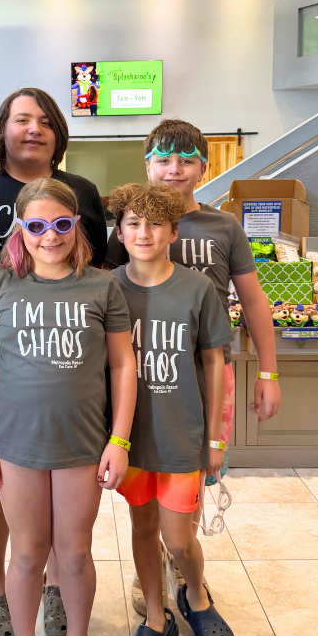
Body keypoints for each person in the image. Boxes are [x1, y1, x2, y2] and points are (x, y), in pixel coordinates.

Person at [105, 119, 279, 610]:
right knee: (145, 488)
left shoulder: (224, 227)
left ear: (205, 166)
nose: (174, 169)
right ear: (147, 164)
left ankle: (184, 566)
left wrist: (268, 371)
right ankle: (153, 573)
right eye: (163, 158)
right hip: (140, 375)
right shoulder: (129, 223)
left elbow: (255, 302)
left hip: (207, 374)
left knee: (189, 484)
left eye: (186, 160)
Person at [0, 88, 108, 636]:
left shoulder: (85, 193)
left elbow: (104, 274)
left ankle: (56, 588)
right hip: (0, 365)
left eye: (46, 121)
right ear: (3, 129)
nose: (34, 129)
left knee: (68, 541)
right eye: (22, 120)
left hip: (68, 374)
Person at [0, 178, 137, 636]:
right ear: (20, 228)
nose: (51, 235)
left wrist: (119, 440)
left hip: (82, 444)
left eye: (62, 223)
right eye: (37, 225)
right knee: (26, 552)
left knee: (75, 552)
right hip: (17, 446)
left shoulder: (102, 286)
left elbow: (124, 366)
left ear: (77, 226)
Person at [107, 181, 236, 636]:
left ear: (173, 232)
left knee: (179, 539)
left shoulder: (197, 288)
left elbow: (214, 361)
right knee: (142, 528)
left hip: (183, 436)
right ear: (119, 233)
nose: (144, 233)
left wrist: (216, 438)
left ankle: (196, 595)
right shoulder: (107, 288)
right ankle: (156, 619)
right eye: (133, 224)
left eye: (155, 224)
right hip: (131, 439)